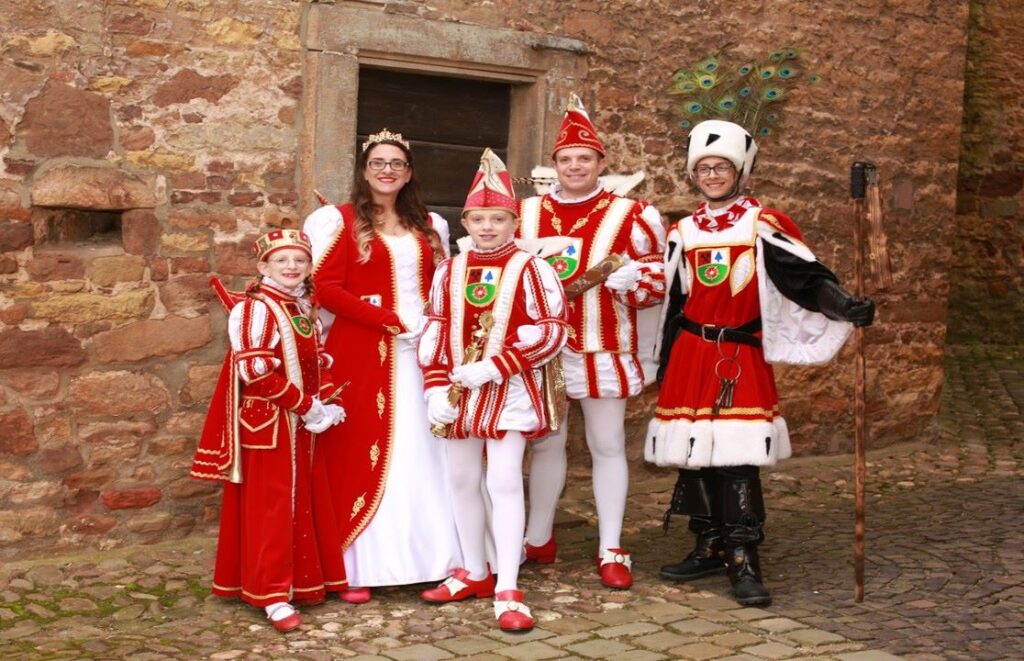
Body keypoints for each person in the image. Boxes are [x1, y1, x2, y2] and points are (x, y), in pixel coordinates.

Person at [647, 119, 876, 606]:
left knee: (737, 459)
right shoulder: (682, 231)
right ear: (694, 175)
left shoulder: (761, 225)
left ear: (740, 171)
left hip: (737, 354)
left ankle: (743, 556)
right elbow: (672, 301)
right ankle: (707, 543)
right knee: (693, 453)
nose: (712, 175)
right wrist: (663, 361)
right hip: (692, 351)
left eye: (721, 167)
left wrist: (843, 304)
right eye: (703, 168)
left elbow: (806, 279)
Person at [303, 129, 462, 603]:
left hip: (424, 355)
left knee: (427, 449)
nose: (387, 170)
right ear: (364, 170)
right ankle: (360, 564)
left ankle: (441, 558)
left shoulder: (431, 224)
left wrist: (434, 325)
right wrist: (388, 320)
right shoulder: (339, 221)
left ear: (409, 172)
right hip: (364, 348)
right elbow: (325, 288)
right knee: (363, 447)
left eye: (396, 163)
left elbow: (446, 284)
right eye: (378, 163)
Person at [516, 93, 666, 589]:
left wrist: (635, 283)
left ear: (600, 163)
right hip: (544, 350)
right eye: (565, 159)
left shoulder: (632, 213)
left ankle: (612, 547)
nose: (574, 166)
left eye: (584, 158)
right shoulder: (527, 213)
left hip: (604, 345)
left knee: (605, 445)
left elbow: (657, 285)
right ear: (554, 165)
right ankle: (537, 537)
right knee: (547, 444)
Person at [418, 149, 568, 632]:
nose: (487, 227)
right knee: (461, 480)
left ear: (512, 221)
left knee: (503, 481)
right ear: (466, 221)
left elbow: (552, 332)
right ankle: (475, 571)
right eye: (478, 219)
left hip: (511, 393)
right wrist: (435, 385)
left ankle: (508, 585)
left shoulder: (534, 268)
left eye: (497, 219)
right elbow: (436, 329)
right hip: (460, 395)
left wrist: (496, 367)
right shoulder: (449, 270)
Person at [190, 229, 347, 632]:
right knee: (272, 509)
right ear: (264, 266)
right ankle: (271, 594)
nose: (292, 267)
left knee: (303, 501)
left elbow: (318, 363)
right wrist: (308, 406)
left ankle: (305, 582)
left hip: (301, 424)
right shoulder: (255, 309)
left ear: (310, 267)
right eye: (283, 261)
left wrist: (329, 401)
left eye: (300, 260)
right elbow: (255, 373)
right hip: (270, 423)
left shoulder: (302, 306)